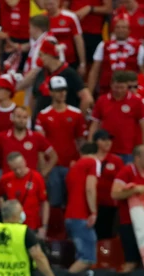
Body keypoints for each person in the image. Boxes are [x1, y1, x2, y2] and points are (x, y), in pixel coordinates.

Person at [34, 75, 87, 209]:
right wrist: (44, 170)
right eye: (58, 90)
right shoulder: (43, 115)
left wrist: (82, 164)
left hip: (72, 164)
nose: (62, 93)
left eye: (64, 90)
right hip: (52, 166)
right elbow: (40, 145)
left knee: (72, 201)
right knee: (54, 203)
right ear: (51, 92)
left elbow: (81, 141)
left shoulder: (76, 114)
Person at [111, 144, 144, 272]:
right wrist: (134, 190)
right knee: (131, 262)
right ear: (137, 158)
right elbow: (114, 194)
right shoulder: (127, 171)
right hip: (129, 223)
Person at [88, 70, 144, 164]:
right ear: (111, 85)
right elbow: (95, 124)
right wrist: (91, 144)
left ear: (127, 86)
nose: (119, 90)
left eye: (122, 87)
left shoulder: (136, 101)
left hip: (128, 151)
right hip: (105, 150)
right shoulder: (102, 100)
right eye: (116, 87)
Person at [0, 152, 49, 239]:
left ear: (24, 162)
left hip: (31, 225)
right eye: (14, 169)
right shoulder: (6, 179)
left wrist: (44, 226)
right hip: (12, 225)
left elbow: (44, 202)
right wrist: (4, 207)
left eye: (20, 167)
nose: (18, 171)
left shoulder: (36, 177)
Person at [64, 143, 99, 273]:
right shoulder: (92, 162)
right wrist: (93, 212)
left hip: (70, 216)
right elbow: (90, 188)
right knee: (87, 258)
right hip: (81, 216)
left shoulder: (74, 167)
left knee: (82, 257)